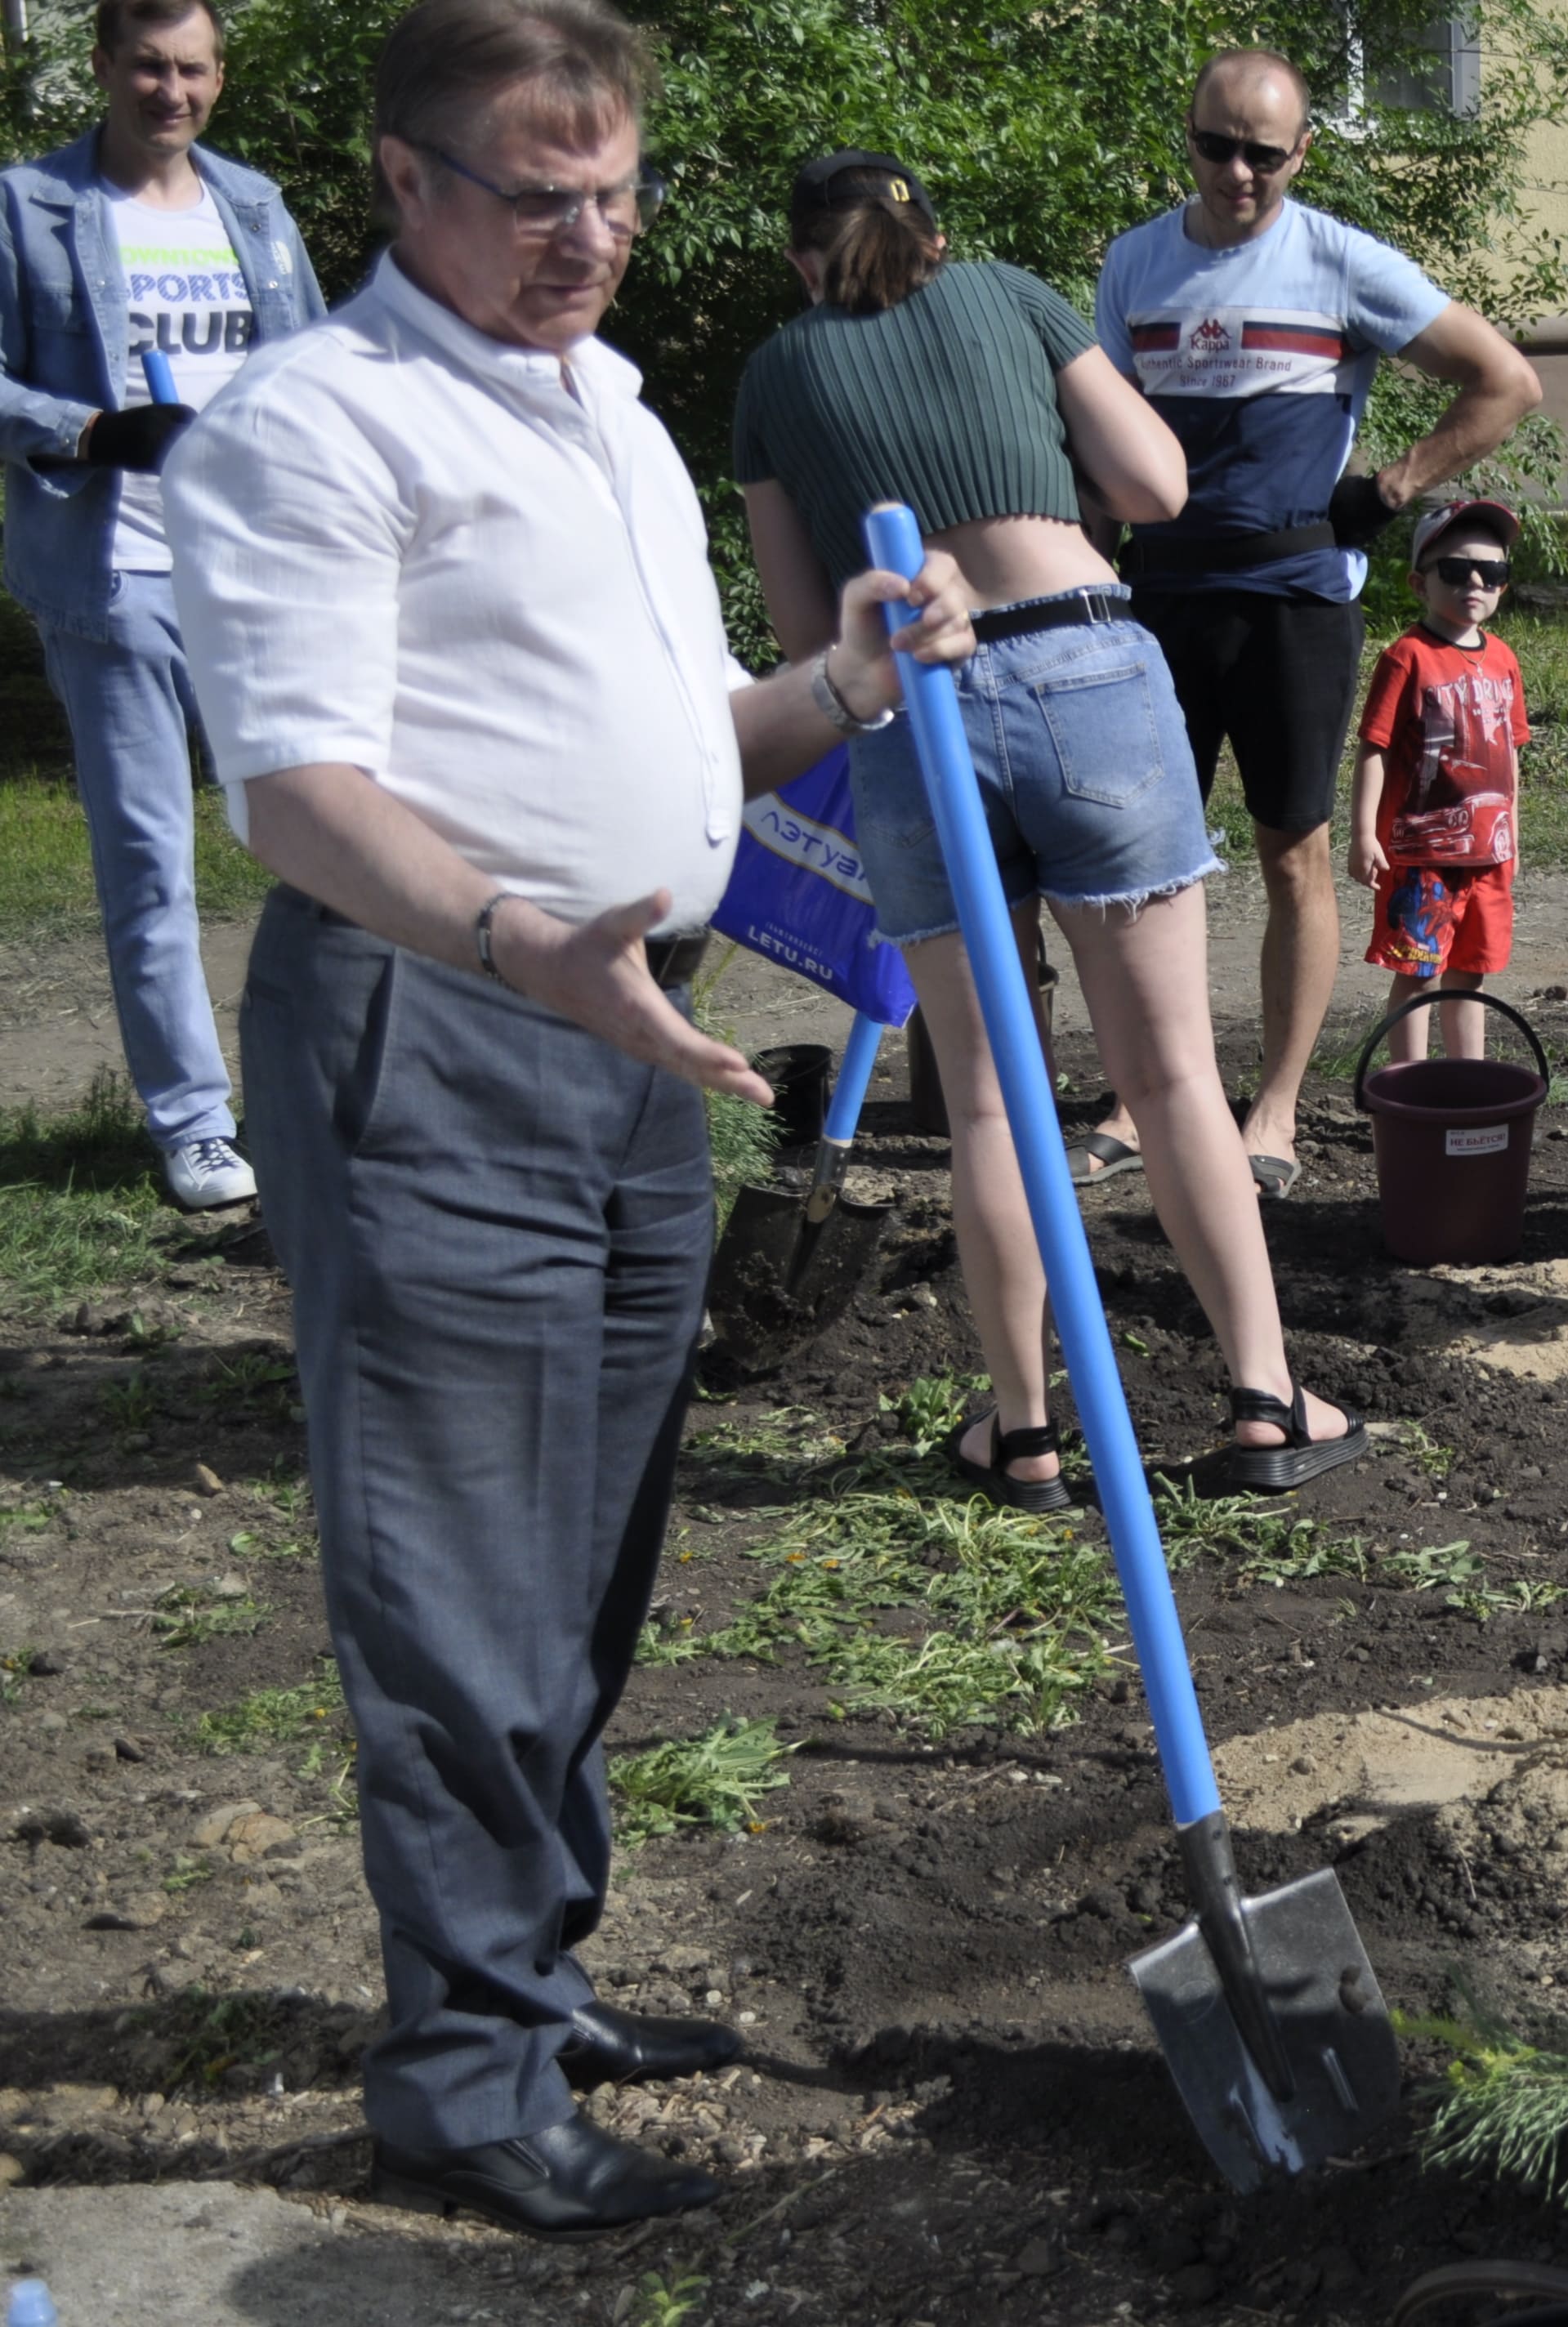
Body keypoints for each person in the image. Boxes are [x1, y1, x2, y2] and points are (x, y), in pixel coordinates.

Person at [162, 0, 981, 2236]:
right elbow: (303, 793)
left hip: (630, 1039)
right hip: (439, 1030)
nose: (595, 241)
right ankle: (460, 2068)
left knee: (589, 1539)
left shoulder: (603, 408)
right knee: (459, 1574)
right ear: (404, 184)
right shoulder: (314, 428)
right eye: (542, 197)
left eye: (618, 193)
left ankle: (535, 1975)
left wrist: (836, 690)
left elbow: (663, 735)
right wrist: (523, 939)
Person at [732, 151, 1366, 1502]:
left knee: (984, 1104)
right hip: (1085, 674)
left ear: (800, 261)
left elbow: (804, 644)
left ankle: (1020, 1430)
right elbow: (1154, 485)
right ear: (936, 240)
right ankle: (1264, 1398)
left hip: (908, 708)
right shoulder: (1011, 295)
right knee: (1175, 1078)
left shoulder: (773, 376)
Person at [1096, 45, 1542, 1196]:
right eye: (1216, 145)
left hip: (1295, 608)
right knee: (1146, 863)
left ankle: (1276, 1111)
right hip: (1163, 602)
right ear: (1185, 137)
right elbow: (1102, 433)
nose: (1237, 172)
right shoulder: (1134, 264)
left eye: (1264, 153)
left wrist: (1394, 486)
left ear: (1303, 152)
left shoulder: (1339, 260)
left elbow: (1504, 381)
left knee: (1291, 850)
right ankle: (1152, 1094)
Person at [1, 0, 324, 1211]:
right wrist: (88, 429)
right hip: (113, 572)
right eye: (146, 66)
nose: (169, 91)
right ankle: (194, 1123)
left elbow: (313, 365)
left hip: (256, 573)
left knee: (324, 833)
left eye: (191, 69)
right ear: (102, 67)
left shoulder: (254, 207)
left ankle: (316, 1093)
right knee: (151, 857)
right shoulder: (26, 203)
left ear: (219, 78)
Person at [1350, 498, 1527, 1064]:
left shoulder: (1503, 658)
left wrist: (1513, 834)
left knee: (1471, 972)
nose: (1475, 581)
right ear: (1419, 583)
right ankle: (1409, 1084)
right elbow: (1373, 748)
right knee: (1418, 973)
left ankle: (1466, 1079)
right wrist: (1363, 835)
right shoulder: (1407, 657)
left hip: (1489, 853)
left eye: (1492, 572)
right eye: (1454, 570)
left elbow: (1510, 757)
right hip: (1422, 853)